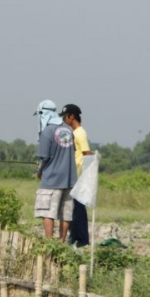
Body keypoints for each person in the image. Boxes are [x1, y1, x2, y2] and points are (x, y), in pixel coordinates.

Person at [34, 100, 77, 240]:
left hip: (52, 180)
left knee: (47, 213)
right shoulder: (68, 130)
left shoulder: (48, 131)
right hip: (70, 180)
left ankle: (49, 244)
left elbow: (43, 157)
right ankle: (61, 244)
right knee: (66, 215)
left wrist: (39, 171)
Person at [60, 103, 93, 248]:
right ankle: (75, 237)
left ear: (71, 116)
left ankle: (81, 239)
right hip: (73, 174)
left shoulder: (80, 133)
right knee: (73, 208)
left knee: (77, 209)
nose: (64, 120)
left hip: (78, 175)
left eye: (65, 117)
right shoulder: (74, 133)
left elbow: (86, 153)